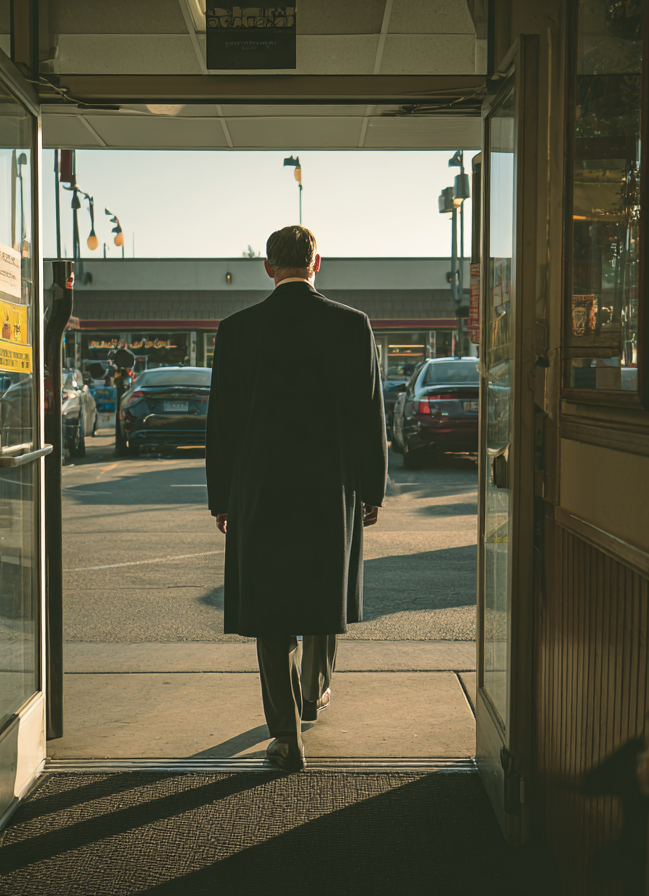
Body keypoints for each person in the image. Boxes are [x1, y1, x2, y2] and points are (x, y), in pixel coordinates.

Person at [205, 225, 388, 772]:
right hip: (329, 488)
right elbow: (369, 418)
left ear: (268, 267)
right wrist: (372, 489)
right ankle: (315, 691)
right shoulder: (352, 326)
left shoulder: (237, 331)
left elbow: (222, 424)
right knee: (321, 592)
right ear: (317, 264)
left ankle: (286, 736)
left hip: (259, 488)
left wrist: (222, 498)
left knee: (270, 610)